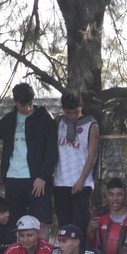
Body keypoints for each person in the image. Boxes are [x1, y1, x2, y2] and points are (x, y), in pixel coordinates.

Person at [0, 82, 57, 224]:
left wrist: (43, 176)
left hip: (36, 179)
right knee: (15, 221)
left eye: (29, 104)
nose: (27, 108)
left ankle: (44, 247)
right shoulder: (10, 119)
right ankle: (17, 246)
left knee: (41, 220)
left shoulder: (44, 118)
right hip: (13, 177)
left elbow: (52, 151)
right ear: (15, 102)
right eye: (22, 105)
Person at [51, 92, 99, 234]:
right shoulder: (59, 122)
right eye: (68, 113)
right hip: (61, 182)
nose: (72, 116)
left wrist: (81, 180)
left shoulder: (91, 124)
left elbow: (92, 155)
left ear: (81, 107)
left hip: (82, 182)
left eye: (75, 112)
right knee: (64, 226)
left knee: (79, 225)